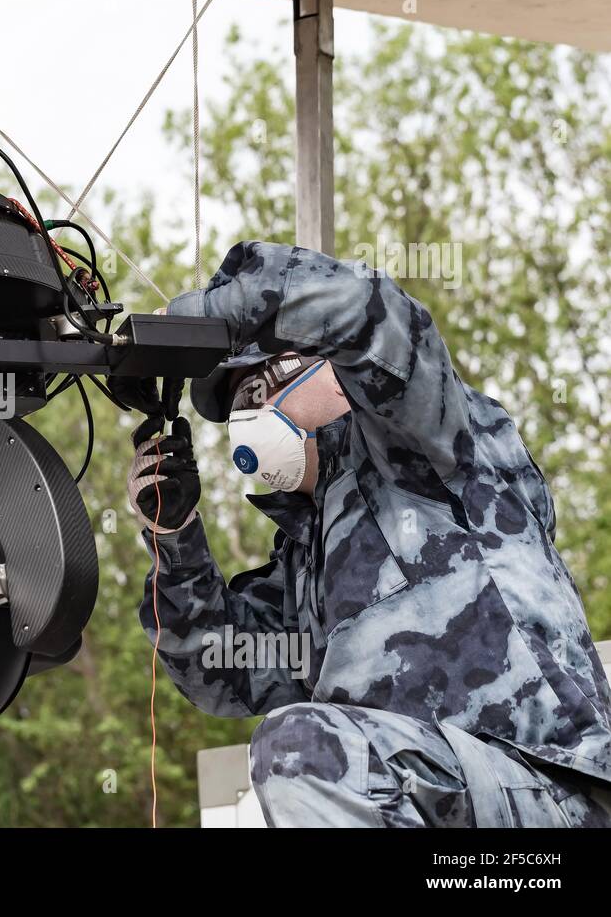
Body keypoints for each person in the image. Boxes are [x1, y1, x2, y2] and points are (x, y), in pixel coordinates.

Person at [124, 239, 611, 827]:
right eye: (239, 404)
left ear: (333, 369)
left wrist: (199, 316)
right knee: (296, 755)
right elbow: (220, 671)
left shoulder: (429, 447)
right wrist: (173, 534)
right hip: (430, 811)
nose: (250, 413)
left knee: (301, 749)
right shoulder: (304, 561)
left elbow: (363, 306)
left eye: (265, 383)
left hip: (550, 791)